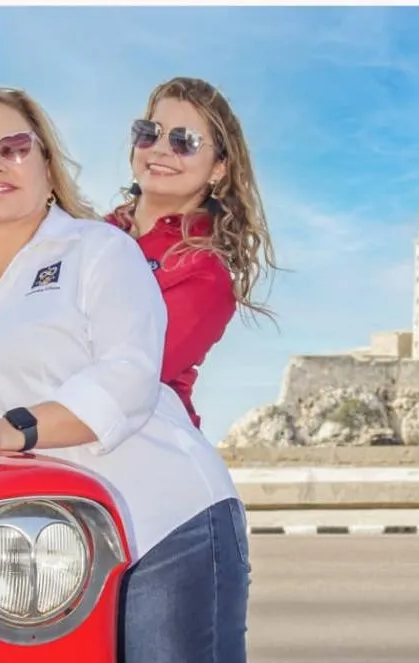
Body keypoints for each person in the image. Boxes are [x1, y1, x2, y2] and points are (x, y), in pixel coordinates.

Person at [0, 86, 250, 663]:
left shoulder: (101, 251)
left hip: (161, 520)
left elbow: (128, 376)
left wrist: (9, 430)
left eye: (14, 147)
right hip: (39, 540)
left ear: (48, 166)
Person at [107, 76, 277, 430]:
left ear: (219, 168)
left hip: (148, 453)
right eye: (149, 132)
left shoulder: (204, 274)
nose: (160, 149)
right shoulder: (87, 233)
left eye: (185, 141)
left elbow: (128, 381)